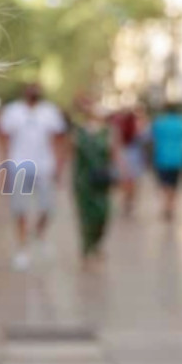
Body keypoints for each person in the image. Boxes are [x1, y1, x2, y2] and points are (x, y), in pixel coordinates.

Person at [0, 82, 68, 270]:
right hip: (19, 165)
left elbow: (59, 140)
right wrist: (4, 167)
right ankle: (22, 248)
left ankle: (39, 233)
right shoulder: (13, 111)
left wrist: (59, 166)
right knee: (20, 209)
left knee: (48, 208)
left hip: (45, 166)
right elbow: (3, 139)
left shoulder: (50, 112)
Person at [72, 95, 116, 263]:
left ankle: (96, 243)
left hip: (102, 179)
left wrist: (120, 173)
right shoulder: (78, 132)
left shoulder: (108, 132)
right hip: (83, 179)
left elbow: (115, 153)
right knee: (85, 215)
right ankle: (87, 248)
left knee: (103, 214)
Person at [149, 104, 182, 221]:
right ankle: (170, 205)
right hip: (178, 158)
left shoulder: (160, 123)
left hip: (162, 158)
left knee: (165, 183)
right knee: (174, 183)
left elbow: (152, 138)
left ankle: (167, 205)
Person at [113, 106, 148, 217]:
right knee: (132, 182)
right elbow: (146, 139)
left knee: (125, 181)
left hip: (124, 155)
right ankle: (129, 201)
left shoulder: (119, 127)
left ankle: (126, 200)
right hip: (134, 156)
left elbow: (115, 143)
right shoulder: (138, 127)